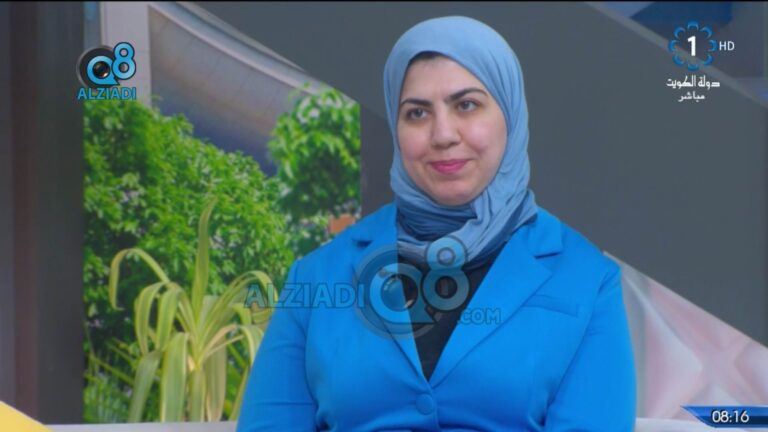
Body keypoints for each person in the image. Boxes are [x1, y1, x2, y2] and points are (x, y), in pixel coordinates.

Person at [237, 16, 636, 431]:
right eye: (417, 113)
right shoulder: (318, 276)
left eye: (467, 105)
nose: (443, 134)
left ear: (511, 114)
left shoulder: (588, 279)